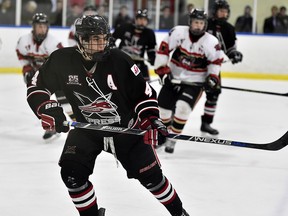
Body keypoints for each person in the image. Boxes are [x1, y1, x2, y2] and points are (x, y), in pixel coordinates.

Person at [26, 14, 190, 216]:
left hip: (128, 130)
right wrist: (47, 108)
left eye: (103, 38)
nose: (101, 44)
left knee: (153, 180)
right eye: (95, 39)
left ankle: (180, 213)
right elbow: (36, 85)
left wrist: (152, 120)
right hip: (87, 130)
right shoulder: (62, 60)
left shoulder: (120, 61)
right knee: (72, 175)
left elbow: (143, 94)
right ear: (81, 40)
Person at [154, 9, 224, 153]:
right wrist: (162, 69)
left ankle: (172, 139)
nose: (198, 26)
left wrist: (212, 78)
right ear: (190, 23)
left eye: (201, 23)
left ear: (205, 25)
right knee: (163, 110)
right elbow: (163, 49)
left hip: (195, 81)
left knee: (183, 107)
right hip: (173, 77)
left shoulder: (211, 41)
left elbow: (215, 62)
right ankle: (165, 135)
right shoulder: (178, 32)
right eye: (195, 22)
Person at [16, 13, 74, 140]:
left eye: (44, 26)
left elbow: (62, 63)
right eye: (39, 26)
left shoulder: (54, 43)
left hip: (55, 75)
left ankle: (78, 123)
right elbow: (21, 54)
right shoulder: (24, 41)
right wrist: (27, 68)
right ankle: (51, 125)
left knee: (65, 101)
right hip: (39, 78)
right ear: (33, 27)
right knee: (39, 100)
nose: (42, 29)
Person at [202, 0, 243, 135]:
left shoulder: (229, 28)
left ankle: (206, 123)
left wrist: (234, 55)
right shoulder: (205, 23)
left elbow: (230, 48)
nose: (224, 14)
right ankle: (173, 120)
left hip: (214, 68)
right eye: (221, 11)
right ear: (215, 11)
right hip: (195, 65)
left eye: (226, 11)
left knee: (213, 94)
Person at [112, 9, 157, 81]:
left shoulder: (149, 33)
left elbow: (151, 49)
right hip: (122, 61)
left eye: (145, 20)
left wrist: (152, 58)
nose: (142, 22)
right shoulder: (124, 27)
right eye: (140, 19)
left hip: (138, 63)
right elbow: (111, 39)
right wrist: (114, 50)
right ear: (135, 19)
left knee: (143, 85)